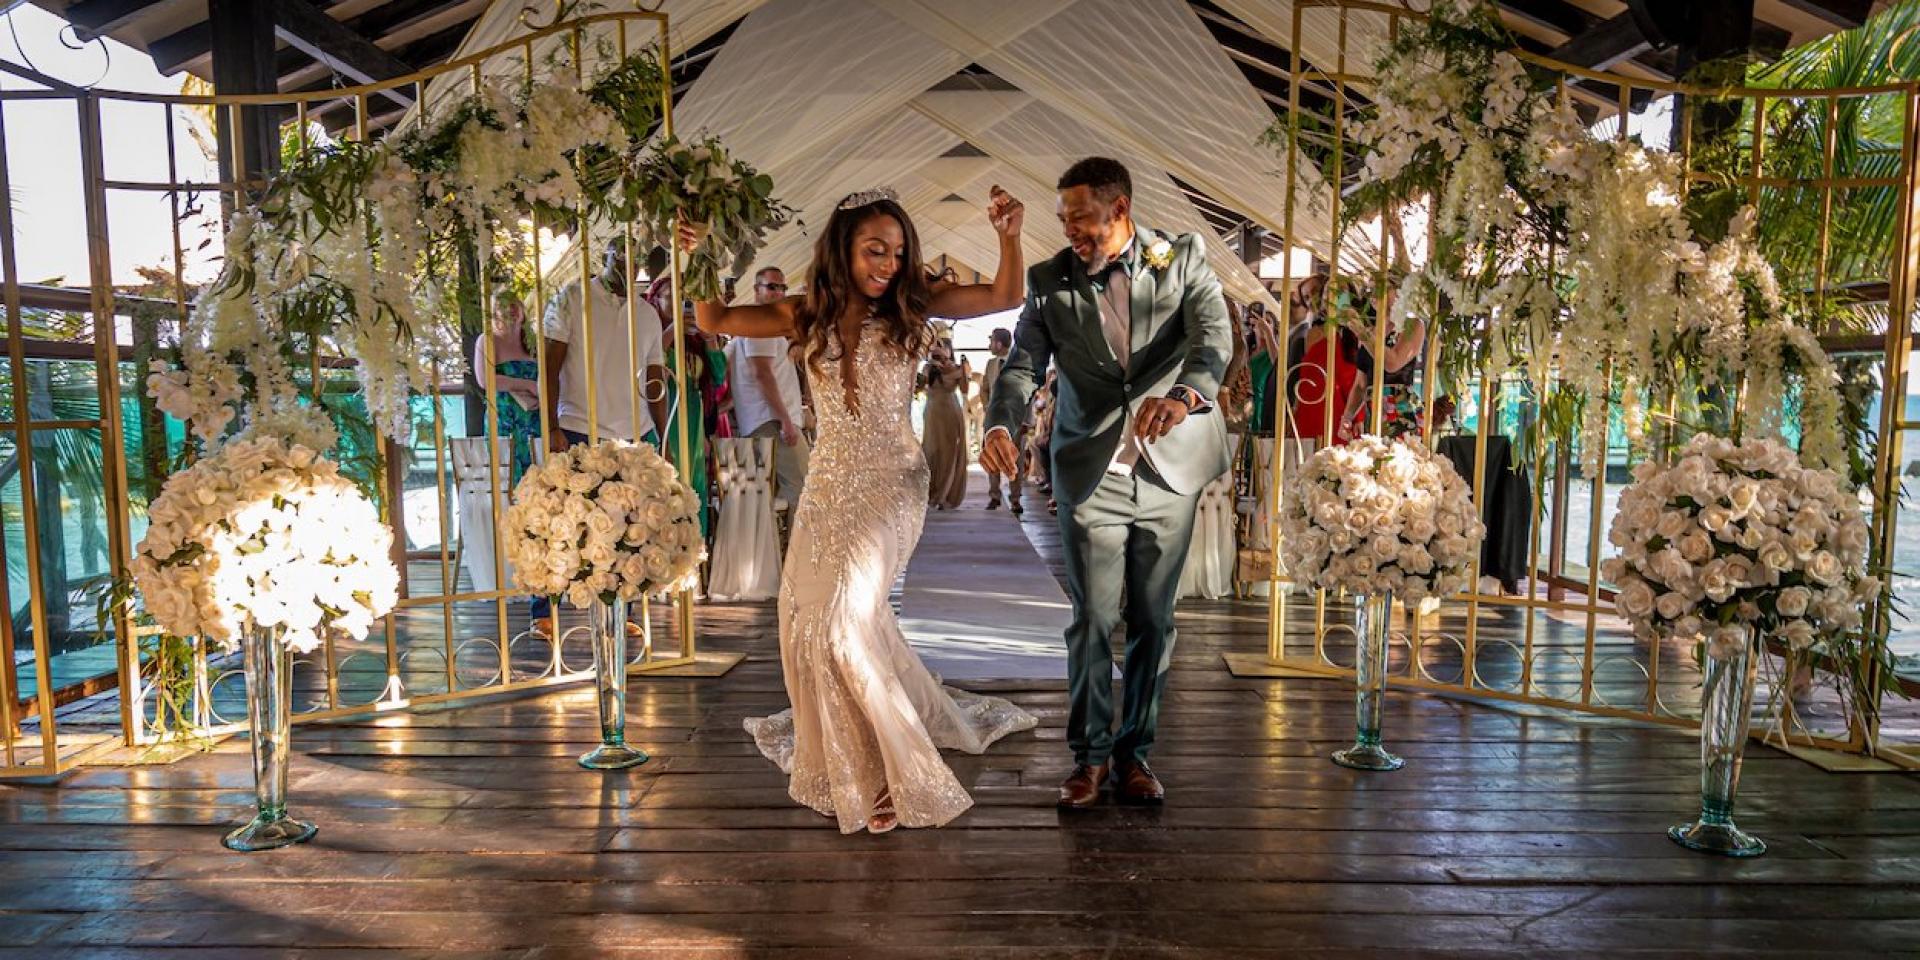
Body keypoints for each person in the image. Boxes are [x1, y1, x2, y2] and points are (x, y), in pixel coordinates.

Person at [691, 185, 1037, 835]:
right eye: (875, 249)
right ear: (843, 248)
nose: (888, 263)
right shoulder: (804, 312)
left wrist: (1009, 235)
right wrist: (699, 252)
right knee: (804, 617)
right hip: (828, 482)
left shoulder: (915, 302)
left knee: (844, 621)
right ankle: (847, 749)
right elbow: (714, 318)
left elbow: (1005, 295)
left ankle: (883, 772)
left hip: (893, 483)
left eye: (898, 251)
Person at [982, 157, 1232, 809]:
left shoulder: (1182, 257)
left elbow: (1213, 338)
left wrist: (1183, 396)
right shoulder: (1048, 281)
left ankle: (1135, 754)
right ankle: (1089, 758)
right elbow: (1022, 366)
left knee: (1154, 618)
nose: (1069, 230)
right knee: (1092, 616)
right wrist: (1001, 422)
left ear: (1120, 209)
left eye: (1081, 217)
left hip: (1168, 466)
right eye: (1064, 218)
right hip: (1090, 469)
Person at [537, 243, 668, 637]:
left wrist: (662, 436)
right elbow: (550, 366)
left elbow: (655, 378)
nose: (628, 262)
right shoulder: (573, 297)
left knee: (630, 526)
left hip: (632, 431)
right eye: (621, 253)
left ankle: (621, 607)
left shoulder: (647, 314)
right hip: (578, 424)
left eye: (636, 257)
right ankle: (545, 608)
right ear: (607, 255)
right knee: (564, 521)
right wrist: (551, 426)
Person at [728, 266, 811, 506]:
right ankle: (800, 534)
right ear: (757, 290)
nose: (779, 292)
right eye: (772, 287)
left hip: (764, 420)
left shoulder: (759, 326)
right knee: (804, 489)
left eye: (782, 287)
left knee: (773, 497)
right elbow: (762, 373)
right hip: (771, 421)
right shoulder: (760, 325)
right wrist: (785, 420)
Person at [474, 290, 543, 482]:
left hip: (535, 419)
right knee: (509, 476)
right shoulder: (487, 340)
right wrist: (528, 385)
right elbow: (485, 380)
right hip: (505, 420)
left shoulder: (532, 342)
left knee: (539, 477)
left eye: (514, 304)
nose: (510, 309)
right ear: (494, 313)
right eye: (502, 306)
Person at [921, 339, 969, 510]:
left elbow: (964, 390)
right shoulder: (928, 368)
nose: (938, 349)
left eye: (942, 346)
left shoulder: (958, 368)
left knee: (950, 451)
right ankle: (931, 492)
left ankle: (945, 494)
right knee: (931, 450)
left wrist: (964, 372)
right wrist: (933, 365)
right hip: (933, 412)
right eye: (936, 346)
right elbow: (920, 386)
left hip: (950, 411)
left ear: (949, 350)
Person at [980, 328, 1022, 511]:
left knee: (1016, 458)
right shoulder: (990, 364)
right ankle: (994, 496)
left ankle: (1015, 499)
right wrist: (987, 406)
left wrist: (1026, 420)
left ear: (998, 344)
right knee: (992, 454)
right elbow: (984, 388)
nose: (989, 345)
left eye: (991, 341)